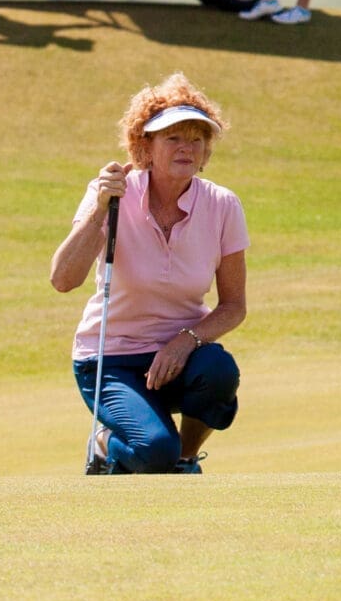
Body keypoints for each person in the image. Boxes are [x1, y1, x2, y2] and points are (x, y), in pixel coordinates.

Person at [51, 75, 249, 475]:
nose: (187, 148)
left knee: (219, 373)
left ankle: (185, 458)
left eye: (197, 139)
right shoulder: (111, 193)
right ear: (145, 146)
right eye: (173, 137)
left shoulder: (223, 205)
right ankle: (108, 445)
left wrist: (184, 341)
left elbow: (233, 306)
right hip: (111, 359)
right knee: (152, 449)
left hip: (183, 356)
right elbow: (63, 279)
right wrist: (101, 207)